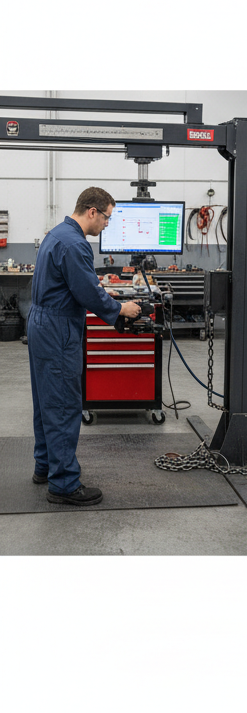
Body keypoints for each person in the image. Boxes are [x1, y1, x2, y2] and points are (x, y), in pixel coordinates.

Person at [28, 188, 141, 505]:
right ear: (92, 211)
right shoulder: (75, 243)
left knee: (46, 401)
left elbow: (79, 285)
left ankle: (45, 466)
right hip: (57, 328)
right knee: (64, 404)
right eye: (107, 216)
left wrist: (106, 300)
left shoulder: (58, 233)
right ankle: (63, 484)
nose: (107, 223)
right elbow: (88, 293)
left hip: (42, 323)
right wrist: (120, 310)